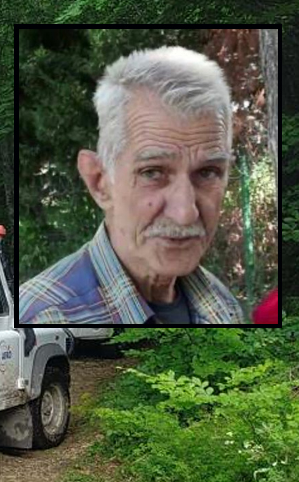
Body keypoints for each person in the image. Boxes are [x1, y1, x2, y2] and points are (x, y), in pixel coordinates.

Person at [20, 46, 243, 324]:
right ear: (100, 182)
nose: (185, 213)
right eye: (153, 173)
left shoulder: (222, 305)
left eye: (208, 172)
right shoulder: (44, 321)